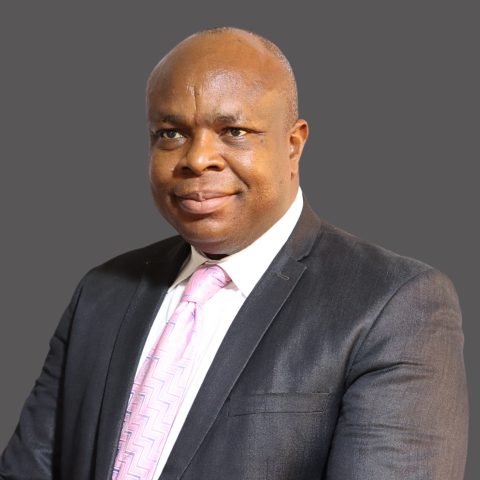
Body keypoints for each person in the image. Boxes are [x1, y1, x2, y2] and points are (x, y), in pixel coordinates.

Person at [0, 27, 468, 480]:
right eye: (171, 133)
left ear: (293, 144)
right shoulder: (102, 292)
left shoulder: (394, 306)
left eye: (234, 131)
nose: (196, 158)